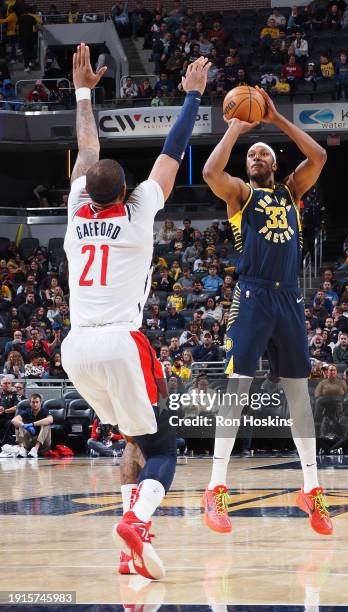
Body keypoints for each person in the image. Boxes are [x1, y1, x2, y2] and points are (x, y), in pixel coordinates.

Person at [60, 43, 210, 579]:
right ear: (126, 189)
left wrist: (83, 92)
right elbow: (173, 149)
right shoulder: (142, 207)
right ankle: (139, 523)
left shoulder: (77, 213)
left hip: (75, 349)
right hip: (122, 341)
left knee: (133, 439)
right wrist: (192, 95)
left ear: (88, 191)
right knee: (165, 449)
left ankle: (131, 551)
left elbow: (86, 146)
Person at [201, 86, 332, 536]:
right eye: (250, 155)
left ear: (274, 164)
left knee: (299, 395)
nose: (255, 157)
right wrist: (237, 128)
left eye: (262, 154)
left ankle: (311, 490)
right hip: (253, 296)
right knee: (237, 389)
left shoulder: (292, 193)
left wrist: (276, 120)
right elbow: (210, 169)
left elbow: (318, 157)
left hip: (290, 298)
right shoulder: (240, 194)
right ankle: (216, 488)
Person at [11, 393, 53, 458]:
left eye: (37, 402)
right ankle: (22, 449)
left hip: (43, 442)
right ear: (30, 403)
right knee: (18, 424)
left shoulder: (44, 411)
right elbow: (14, 420)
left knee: (46, 424)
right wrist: (24, 425)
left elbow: (50, 420)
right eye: (33, 402)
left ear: (40, 403)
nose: (35, 404)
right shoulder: (27, 411)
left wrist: (32, 424)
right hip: (29, 440)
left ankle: (35, 449)